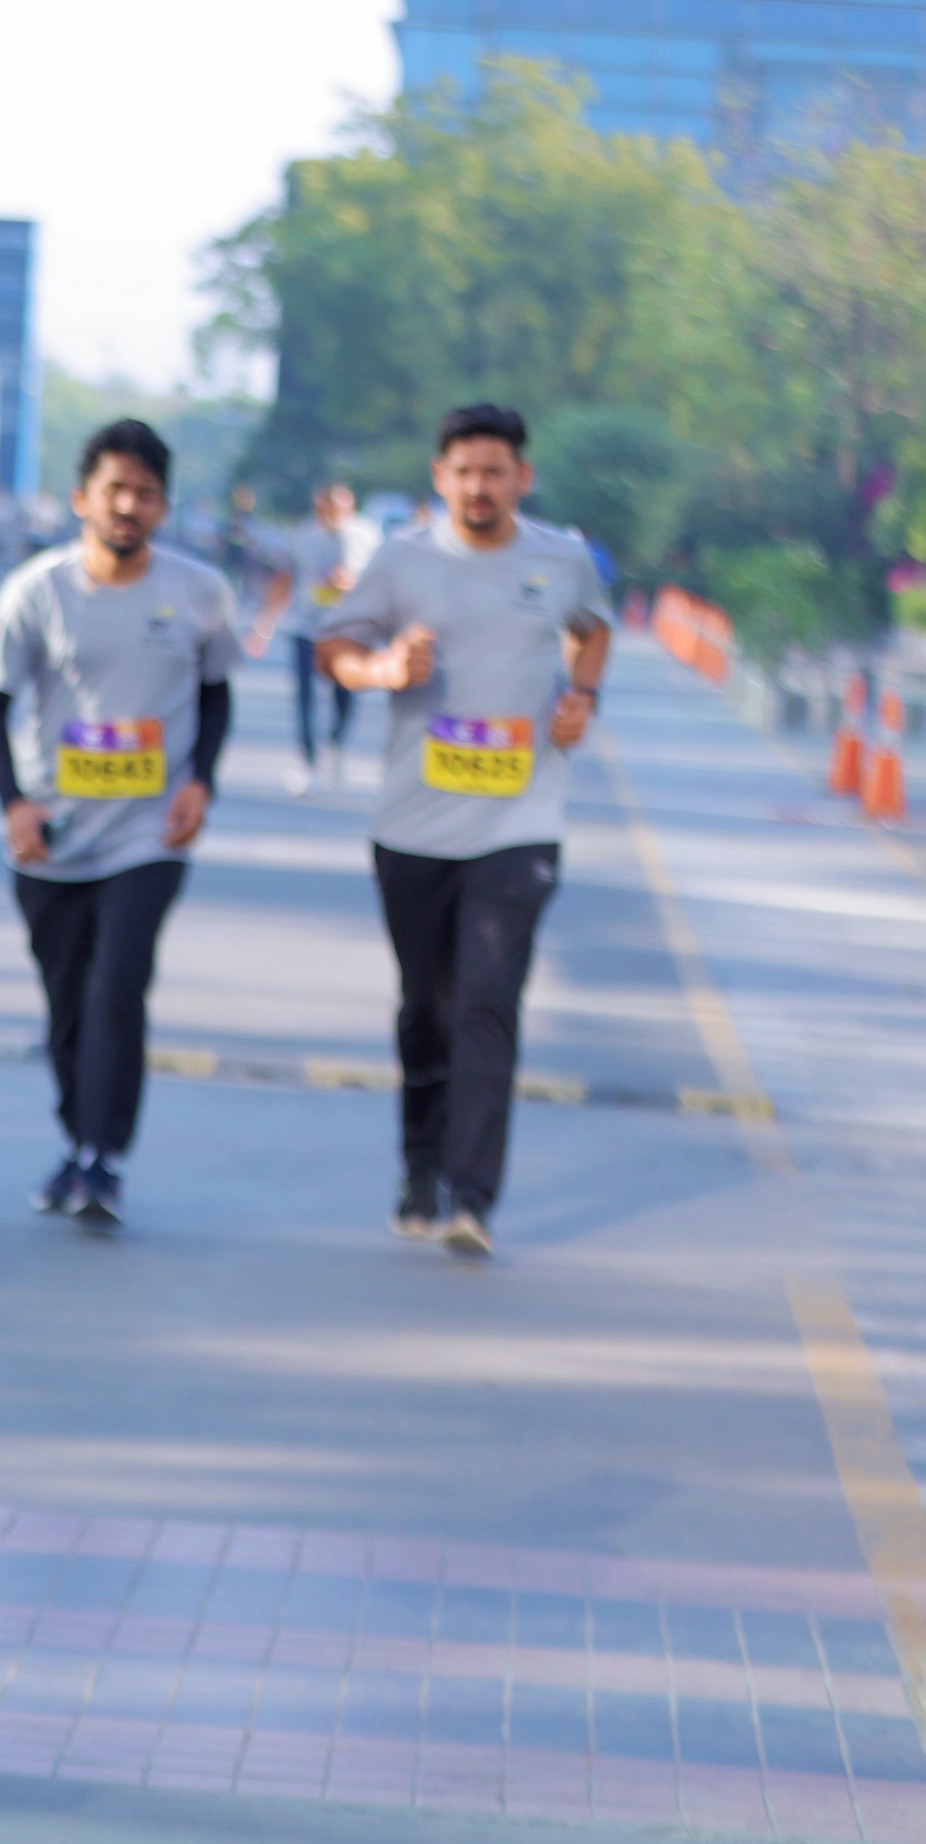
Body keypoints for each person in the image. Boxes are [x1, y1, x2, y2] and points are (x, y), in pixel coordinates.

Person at [317, 403, 610, 1260]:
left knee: (487, 1001)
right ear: (441, 478)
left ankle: (472, 1196)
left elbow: (593, 631)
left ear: (523, 478)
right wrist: (380, 668)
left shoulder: (560, 560)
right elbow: (334, 644)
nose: (480, 486)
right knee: (427, 1008)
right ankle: (421, 1164)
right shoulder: (403, 561)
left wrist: (581, 697)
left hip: (521, 823)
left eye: (496, 472)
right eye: (465, 472)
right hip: (413, 826)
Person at [0, 419, 239, 1228]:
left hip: (149, 834)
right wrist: (14, 804)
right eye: (115, 490)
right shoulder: (37, 590)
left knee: (118, 985)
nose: (129, 506)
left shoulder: (199, 593)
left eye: (145, 494)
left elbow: (216, 693)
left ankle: (105, 1158)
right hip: (52, 834)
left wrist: (201, 783)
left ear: (163, 507)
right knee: (67, 1003)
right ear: (83, 498)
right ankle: (77, 1141)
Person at [249, 481, 383, 793]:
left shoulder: (367, 536)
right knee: (305, 697)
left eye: (339, 508)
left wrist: (354, 583)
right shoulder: (303, 538)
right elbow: (284, 580)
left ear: (350, 508)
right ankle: (308, 761)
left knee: (344, 695)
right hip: (308, 628)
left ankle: (335, 744)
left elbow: (382, 582)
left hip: (349, 630)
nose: (332, 514)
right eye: (326, 508)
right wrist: (263, 626)